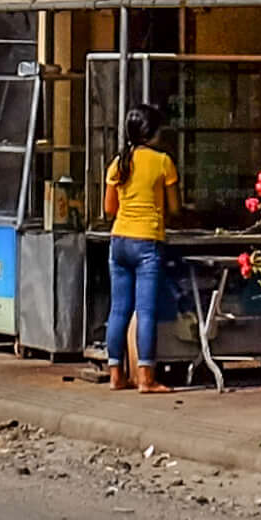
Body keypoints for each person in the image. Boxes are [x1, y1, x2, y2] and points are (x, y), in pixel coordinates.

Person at [101, 125, 182, 393]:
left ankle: (116, 376)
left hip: (119, 241)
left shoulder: (118, 163)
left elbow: (109, 208)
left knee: (118, 310)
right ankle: (146, 378)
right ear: (153, 134)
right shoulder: (162, 162)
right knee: (145, 311)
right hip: (147, 242)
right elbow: (175, 208)